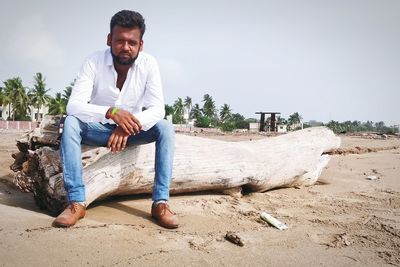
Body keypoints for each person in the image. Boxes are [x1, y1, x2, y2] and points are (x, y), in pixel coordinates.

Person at [53, 10, 178, 229]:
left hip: (133, 131)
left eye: (132, 42)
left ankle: (160, 203)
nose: (126, 47)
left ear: (141, 44)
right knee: (70, 121)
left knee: (165, 127)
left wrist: (126, 127)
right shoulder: (93, 61)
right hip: (99, 129)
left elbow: (158, 109)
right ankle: (76, 202)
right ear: (109, 39)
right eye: (120, 40)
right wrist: (111, 113)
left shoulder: (149, 64)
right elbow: (73, 105)